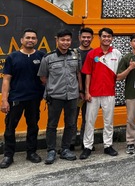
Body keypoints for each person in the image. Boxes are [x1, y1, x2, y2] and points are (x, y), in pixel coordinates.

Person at [0, 28, 45, 169]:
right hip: (16, 98)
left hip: (34, 98)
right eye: (28, 38)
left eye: (33, 38)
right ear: (22, 40)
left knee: (33, 126)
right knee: (10, 127)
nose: (30, 40)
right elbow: (6, 80)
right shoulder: (12, 57)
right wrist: (4, 100)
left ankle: (31, 152)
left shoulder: (41, 56)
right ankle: (8, 155)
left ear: (36, 41)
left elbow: (46, 78)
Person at [38, 29, 82, 164]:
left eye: (68, 40)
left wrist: (80, 90)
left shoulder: (75, 56)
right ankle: (51, 151)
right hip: (55, 96)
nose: (65, 42)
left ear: (71, 41)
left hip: (72, 96)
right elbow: (43, 77)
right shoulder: (48, 58)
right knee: (52, 124)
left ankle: (65, 149)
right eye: (62, 40)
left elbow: (78, 74)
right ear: (57, 40)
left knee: (70, 124)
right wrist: (53, 88)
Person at [79, 27, 122, 160]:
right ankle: (87, 146)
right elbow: (87, 74)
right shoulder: (93, 54)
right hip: (93, 93)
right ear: (99, 38)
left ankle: (108, 145)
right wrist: (87, 92)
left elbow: (120, 73)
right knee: (89, 121)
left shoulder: (116, 53)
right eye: (104, 36)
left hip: (109, 92)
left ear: (112, 38)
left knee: (108, 121)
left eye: (109, 36)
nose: (106, 38)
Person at [71, 27, 93, 151]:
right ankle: (70, 143)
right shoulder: (73, 53)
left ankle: (86, 143)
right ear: (79, 38)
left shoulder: (95, 54)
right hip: (74, 92)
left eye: (88, 37)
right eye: (83, 37)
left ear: (92, 38)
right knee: (72, 119)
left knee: (87, 118)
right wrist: (80, 90)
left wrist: (87, 91)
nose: (86, 39)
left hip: (90, 92)